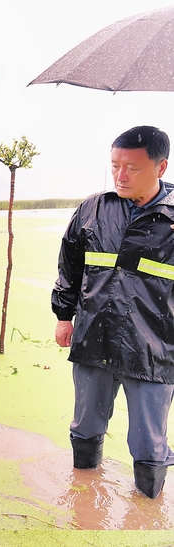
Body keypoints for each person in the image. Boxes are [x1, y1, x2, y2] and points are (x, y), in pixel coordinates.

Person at [52, 125, 174, 499]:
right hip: (93, 339)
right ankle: (84, 495)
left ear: (161, 167)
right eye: (115, 165)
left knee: (148, 443)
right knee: (85, 426)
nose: (120, 175)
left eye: (132, 168)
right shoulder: (93, 208)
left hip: (154, 350)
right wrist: (63, 314)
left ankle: (147, 508)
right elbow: (70, 263)